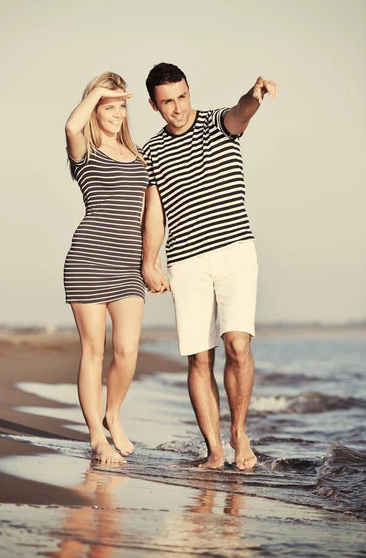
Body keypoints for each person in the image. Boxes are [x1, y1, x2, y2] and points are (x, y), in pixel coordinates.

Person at [142, 63, 278, 470]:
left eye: (182, 97)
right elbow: (154, 213)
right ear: (154, 105)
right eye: (168, 102)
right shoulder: (151, 150)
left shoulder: (217, 124)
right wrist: (149, 261)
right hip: (185, 261)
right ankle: (214, 451)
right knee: (200, 358)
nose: (178, 108)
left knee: (238, 345)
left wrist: (254, 97)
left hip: (235, 251)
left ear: (189, 92)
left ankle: (238, 432)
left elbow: (240, 113)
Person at [64, 72, 149, 465]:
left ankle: (111, 414)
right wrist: (98, 91)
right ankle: (97, 437)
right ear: (95, 107)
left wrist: (152, 262)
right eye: (107, 106)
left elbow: (152, 216)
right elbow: (70, 124)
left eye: (121, 106)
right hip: (89, 260)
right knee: (93, 352)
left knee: (127, 350)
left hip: (128, 266)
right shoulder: (84, 152)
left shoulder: (141, 158)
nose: (116, 113)